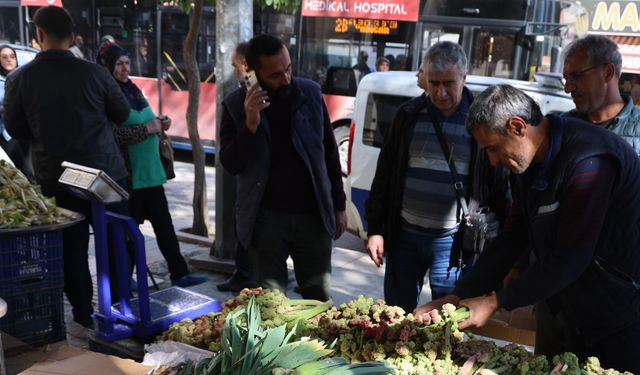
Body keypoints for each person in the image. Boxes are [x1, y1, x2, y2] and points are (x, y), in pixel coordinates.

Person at [416, 84, 640, 373]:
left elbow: (571, 257)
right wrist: (459, 295)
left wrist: (496, 302)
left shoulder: (589, 161)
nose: (493, 161)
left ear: (518, 126)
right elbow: (513, 236)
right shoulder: (527, 164)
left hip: (618, 314)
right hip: (565, 307)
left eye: (493, 148)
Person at [3, 6, 130, 329]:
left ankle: (84, 313)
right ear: (73, 37)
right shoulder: (96, 73)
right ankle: (119, 305)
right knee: (116, 241)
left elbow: (16, 131)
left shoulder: (20, 79)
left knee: (71, 249)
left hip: (57, 178)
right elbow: (122, 112)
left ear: (39, 35)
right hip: (105, 177)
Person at [365, 41, 509, 314]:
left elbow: (500, 185)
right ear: (424, 78)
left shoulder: (483, 120)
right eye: (434, 83)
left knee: (448, 320)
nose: (441, 92)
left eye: (449, 83)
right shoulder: (408, 115)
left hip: (453, 244)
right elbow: (384, 175)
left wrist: (501, 248)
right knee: (397, 315)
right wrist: (375, 228)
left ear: (464, 78)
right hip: (404, 236)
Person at [219, 34, 346, 302]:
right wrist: (250, 124)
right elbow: (230, 164)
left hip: (312, 217)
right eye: (276, 75)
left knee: (318, 299)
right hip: (265, 220)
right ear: (253, 74)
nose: (286, 79)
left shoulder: (309, 93)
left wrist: (339, 205)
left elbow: (330, 153)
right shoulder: (234, 105)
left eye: (288, 69)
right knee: (272, 304)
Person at [97, 42, 207, 288]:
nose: (125, 68)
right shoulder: (107, 95)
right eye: (119, 64)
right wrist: (148, 128)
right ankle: (126, 283)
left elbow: (146, 121)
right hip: (130, 177)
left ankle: (180, 273)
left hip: (151, 173)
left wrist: (159, 123)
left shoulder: (133, 90)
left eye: (127, 62)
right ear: (107, 66)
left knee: (165, 228)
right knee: (130, 234)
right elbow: (113, 136)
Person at [216, 41, 258, 293]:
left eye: (235, 65)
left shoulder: (251, 94)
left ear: (244, 65)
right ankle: (243, 273)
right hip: (245, 174)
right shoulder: (236, 100)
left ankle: (246, 274)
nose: (234, 71)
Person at [562, 34, 640, 154]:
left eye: (576, 76)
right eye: (566, 78)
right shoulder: (561, 127)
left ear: (607, 73)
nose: (567, 89)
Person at [0, 45, 34, 181]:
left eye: (12, 56)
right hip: (7, 135)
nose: (9, 60)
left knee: (31, 171)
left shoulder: (23, 77)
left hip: (27, 133)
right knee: (24, 173)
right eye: (4, 57)